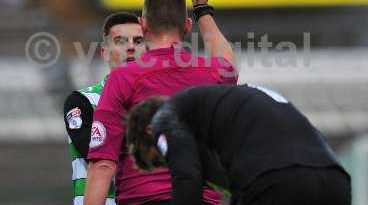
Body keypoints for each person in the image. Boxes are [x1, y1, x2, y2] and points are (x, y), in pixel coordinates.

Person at [84, 0, 239, 205]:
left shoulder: (123, 78)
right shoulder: (211, 73)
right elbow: (228, 61)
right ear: (187, 26)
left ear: (142, 25)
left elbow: (103, 165)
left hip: (143, 199)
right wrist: (202, 8)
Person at [126, 84, 352, 205]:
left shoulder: (165, 117)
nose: (171, 161)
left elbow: (187, 178)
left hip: (277, 182)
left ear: (149, 131)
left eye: (160, 159)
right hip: (334, 181)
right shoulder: (236, 105)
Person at [63, 12, 146, 205]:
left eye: (139, 41)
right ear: (105, 53)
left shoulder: (159, 100)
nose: (131, 47)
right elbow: (98, 156)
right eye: (120, 41)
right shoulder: (81, 101)